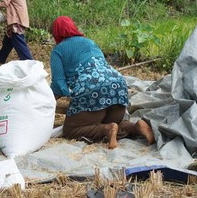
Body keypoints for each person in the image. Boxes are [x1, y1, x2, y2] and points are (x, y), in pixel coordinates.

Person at [49, 16, 155, 149]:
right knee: (114, 121)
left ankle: (107, 130)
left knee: (71, 129)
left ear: (56, 33)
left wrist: (46, 99)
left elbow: (59, 86)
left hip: (91, 88)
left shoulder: (58, 50)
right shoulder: (90, 42)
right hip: (118, 85)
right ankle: (136, 127)